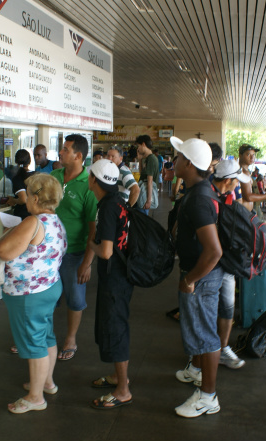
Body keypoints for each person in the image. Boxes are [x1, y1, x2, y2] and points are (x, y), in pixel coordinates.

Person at [0, 173, 67, 414]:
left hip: (28, 293)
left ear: (36, 198)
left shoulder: (32, 222)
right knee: (46, 336)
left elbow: (3, 251)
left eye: (28, 193)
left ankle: (35, 397)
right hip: (49, 287)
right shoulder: (56, 221)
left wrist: (8, 232)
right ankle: (46, 382)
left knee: (33, 342)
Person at [170, 136, 224, 418]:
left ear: (189, 164)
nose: (174, 161)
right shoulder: (199, 189)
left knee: (206, 337)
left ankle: (208, 397)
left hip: (202, 277)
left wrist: (190, 279)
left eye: (178, 157)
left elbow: (214, 251)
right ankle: (199, 374)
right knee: (201, 333)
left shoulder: (200, 198)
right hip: (200, 274)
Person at [86, 159, 135, 409]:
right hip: (122, 276)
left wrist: (90, 242)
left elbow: (105, 252)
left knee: (115, 328)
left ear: (94, 180)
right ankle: (119, 376)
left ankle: (123, 389)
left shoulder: (106, 208)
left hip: (114, 277)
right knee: (115, 325)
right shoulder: (119, 201)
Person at [51, 134, 97, 361]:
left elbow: (93, 230)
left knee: (75, 298)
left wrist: (87, 263)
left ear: (78, 156)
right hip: (49, 251)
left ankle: (70, 338)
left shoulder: (88, 185)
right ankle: (39, 338)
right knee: (45, 295)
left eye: (65, 150)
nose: (60, 153)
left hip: (74, 253)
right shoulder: (54, 176)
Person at [210, 160, 246, 370]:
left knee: (227, 308)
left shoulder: (228, 197)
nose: (237, 186)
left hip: (227, 262)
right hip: (212, 264)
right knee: (210, 309)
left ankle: (221, 349)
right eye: (236, 182)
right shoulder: (208, 198)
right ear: (228, 180)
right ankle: (201, 358)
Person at [237, 144, 266, 211]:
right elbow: (248, 197)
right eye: (248, 154)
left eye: (253, 155)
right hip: (242, 213)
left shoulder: (245, 171)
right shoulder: (243, 172)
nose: (252, 157)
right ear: (240, 155)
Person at [135, 135, 160, 215]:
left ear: (143, 144)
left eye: (138, 146)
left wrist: (149, 200)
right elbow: (142, 174)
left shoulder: (151, 159)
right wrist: (140, 160)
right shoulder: (148, 158)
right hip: (144, 194)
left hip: (145, 195)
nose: (138, 149)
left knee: (142, 220)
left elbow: (150, 180)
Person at [6, 150, 34, 219]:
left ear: (16, 162)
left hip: (23, 216)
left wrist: (14, 200)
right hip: (36, 215)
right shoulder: (37, 175)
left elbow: (23, 199)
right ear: (29, 161)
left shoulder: (17, 178)